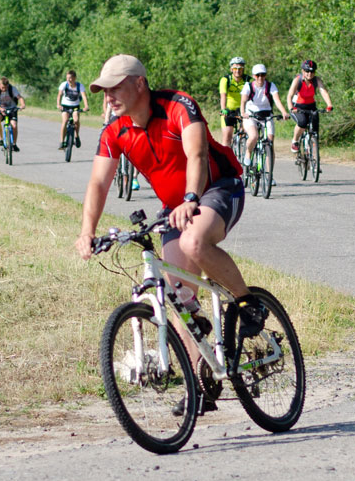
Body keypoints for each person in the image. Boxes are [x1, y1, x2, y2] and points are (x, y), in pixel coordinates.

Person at [75, 55, 267, 411]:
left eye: (115, 88)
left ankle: (247, 303)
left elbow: (197, 154)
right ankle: (200, 386)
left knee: (195, 242)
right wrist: (88, 232)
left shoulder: (178, 105)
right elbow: (98, 182)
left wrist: (191, 198)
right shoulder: (115, 130)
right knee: (177, 294)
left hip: (218, 188)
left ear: (139, 84)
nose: (108, 97)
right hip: (175, 206)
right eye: (103, 91)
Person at [240, 63, 288, 167]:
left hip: (266, 116)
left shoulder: (270, 86)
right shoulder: (248, 86)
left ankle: (269, 173)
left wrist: (284, 112)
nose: (260, 78)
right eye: (257, 75)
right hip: (251, 115)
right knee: (254, 136)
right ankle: (248, 152)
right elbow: (243, 101)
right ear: (253, 76)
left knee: (270, 143)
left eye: (263, 75)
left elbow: (277, 100)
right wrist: (243, 113)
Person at [284, 60, 333, 152]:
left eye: (312, 71)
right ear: (303, 71)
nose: (310, 73)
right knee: (302, 122)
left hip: (311, 106)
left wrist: (329, 105)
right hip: (297, 106)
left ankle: (312, 146)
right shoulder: (297, 80)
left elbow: (323, 92)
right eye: (307, 71)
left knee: (315, 127)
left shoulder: (316, 80)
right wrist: (291, 108)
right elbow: (289, 95)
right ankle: (295, 141)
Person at [56, 70, 90, 150]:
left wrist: (86, 106)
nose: (68, 80)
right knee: (65, 120)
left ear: (74, 78)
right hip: (65, 106)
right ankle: (62, 141)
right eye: (67, 78)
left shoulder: (80, 86)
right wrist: (58, 104)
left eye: (70, 78)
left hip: (75, 106)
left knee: (76, 120)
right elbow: (59, 95)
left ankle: (76, 136)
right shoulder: (64, 84)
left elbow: (84, 96)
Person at [0, 76, 26, 150]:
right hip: (0, 108)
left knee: (14, 125)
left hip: (12, 108)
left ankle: (14, 144)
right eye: (2, 87)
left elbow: (20, 97)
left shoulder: (12, 89)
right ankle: (1, 139)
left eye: (6, 87)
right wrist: (0, 109)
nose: (4, 89)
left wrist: (22, 104)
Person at [219, 57, 246, 148]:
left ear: (243, 69)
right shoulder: (226, 80)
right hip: (229, 110)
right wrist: (223, 109)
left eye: (240, 68)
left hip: (243, 110)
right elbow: (223, 95)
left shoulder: (248, 80)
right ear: (231, 69)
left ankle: (242, 146)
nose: (237, 71)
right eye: (235, 68)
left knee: (246, 130)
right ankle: (225, 156)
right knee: (227, 137)